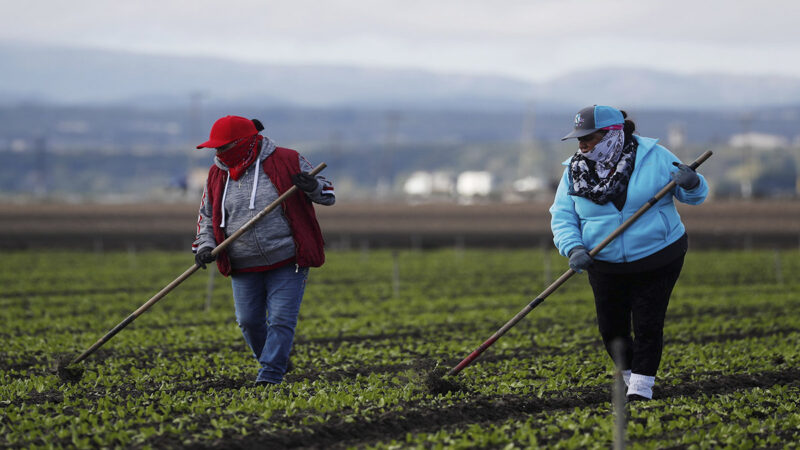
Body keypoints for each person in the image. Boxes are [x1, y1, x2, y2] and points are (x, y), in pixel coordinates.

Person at [549, 105, 708, 401]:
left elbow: (692, 195)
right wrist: (573, 247)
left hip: (658, 255)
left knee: (648, 322)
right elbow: (563, 216)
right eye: (579, 139)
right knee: (611, 328)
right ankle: (629, 376)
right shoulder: (574, 170)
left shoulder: (655, 157)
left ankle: (641, 388)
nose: (582, 145)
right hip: (603, 260)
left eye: (589, 138)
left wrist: (694, 183)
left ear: (612, 134)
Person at [192, 115, 335, 386]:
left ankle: (270, 376)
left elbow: (328, 193)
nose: (219, 152)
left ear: (244, 142)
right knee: (248, 322)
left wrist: (312, 187)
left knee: (281, 319)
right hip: (242, 262)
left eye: (224, 147)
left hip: (287, 258)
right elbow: (207, 215)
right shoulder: (216, 173)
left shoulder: (288, 159)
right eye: (216, 148)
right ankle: (276, 358)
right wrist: (205, 246)